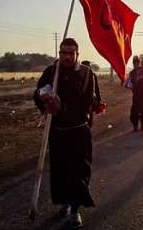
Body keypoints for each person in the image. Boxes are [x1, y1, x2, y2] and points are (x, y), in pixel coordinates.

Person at [33, 38, 95, 228]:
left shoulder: (86, 74)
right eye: (63, 53)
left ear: (77, 54)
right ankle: (65, 203)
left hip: (78, 131)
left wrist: (62, 107)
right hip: (57, 132)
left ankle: (75, 210)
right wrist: (43, 99)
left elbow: (88, 103)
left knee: (79, 172)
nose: (66, 56)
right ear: (59, 53)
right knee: (60, 171)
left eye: (70, 53)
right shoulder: (51, 71)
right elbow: (37, 93)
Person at [81, 60, 102, 128]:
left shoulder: (92, 75)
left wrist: (98, 100)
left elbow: (96, 88)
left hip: (89, 100)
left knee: (88, 118)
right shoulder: (78, 75)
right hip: (81, 101)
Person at [125, 56, 141, 131]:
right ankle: (135, 125)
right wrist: (132, 87)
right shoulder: (131, 73)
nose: (135, 65)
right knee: (134, 112)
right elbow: (128, 84)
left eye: (137, 63)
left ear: (139, 63)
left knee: (142, 111)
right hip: (136, 95)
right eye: (134, 63)